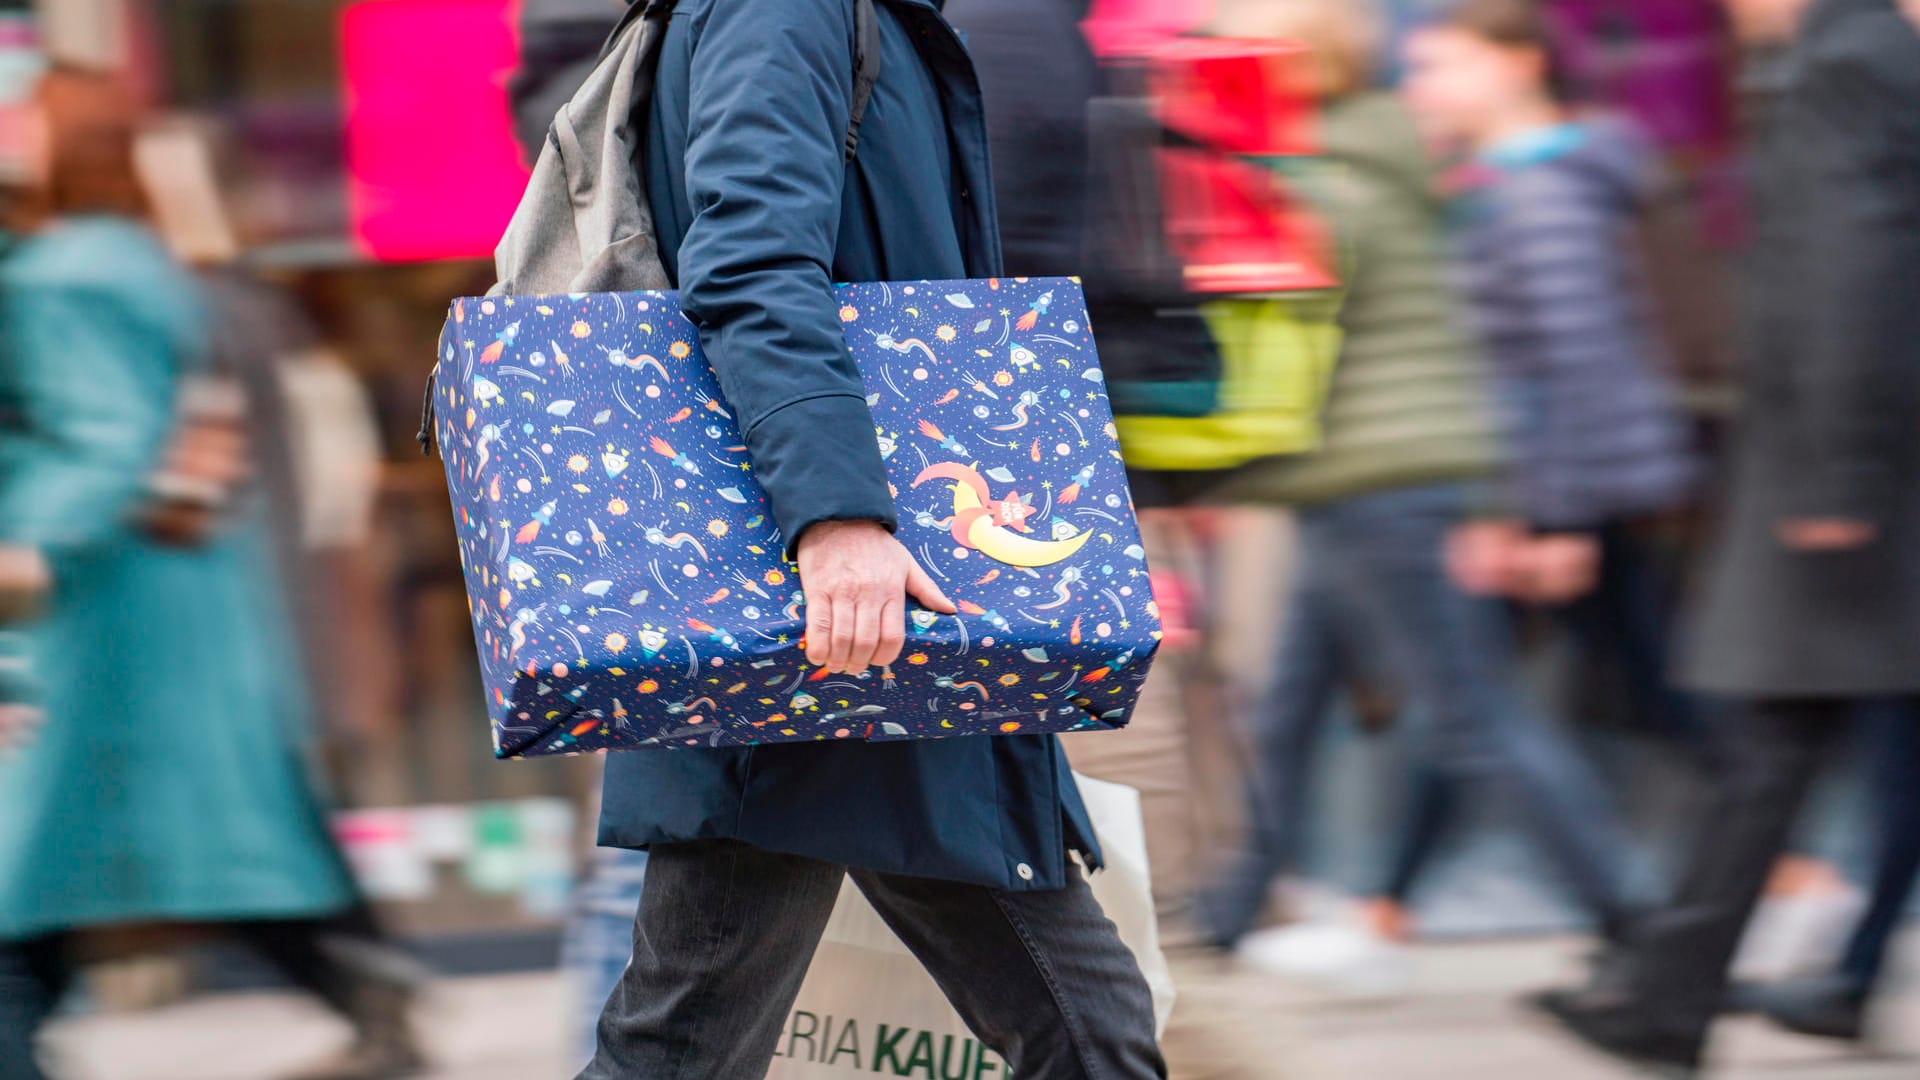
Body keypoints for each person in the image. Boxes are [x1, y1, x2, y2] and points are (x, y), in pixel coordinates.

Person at [578, 3, 1166, 1077]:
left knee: (1088, 1032)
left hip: (873, 618)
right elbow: (751, 264)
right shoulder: (785, 8)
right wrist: (836, 518)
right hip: (826, 610)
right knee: (683, 1047)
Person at [1192, 0, 1639, 983]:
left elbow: (1265, 327)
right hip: (1366, 480)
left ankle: (1633, 915)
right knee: (1290, 711)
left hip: (1380, 481)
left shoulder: (1325, 180)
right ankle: (1225, 911)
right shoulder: (1370, 154)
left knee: (1476, 724)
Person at [0, 66, 421, 1080]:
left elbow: (109, 436)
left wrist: (27, 544)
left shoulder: (65, 276)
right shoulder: (136, 262)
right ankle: (364, 990)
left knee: (37, 868)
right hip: (170, 607)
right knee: (193, 839)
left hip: (103, 619)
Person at [1532, 0, 1920, 1071]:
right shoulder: (1856, 57)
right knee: (1785, 732)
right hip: (1853, 458)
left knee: (1772, 730)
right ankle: (1708, 990)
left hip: (1842, 466)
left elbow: (1853, 267)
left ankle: (1673, 998)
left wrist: (1835, 470)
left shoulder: (1846, 62)